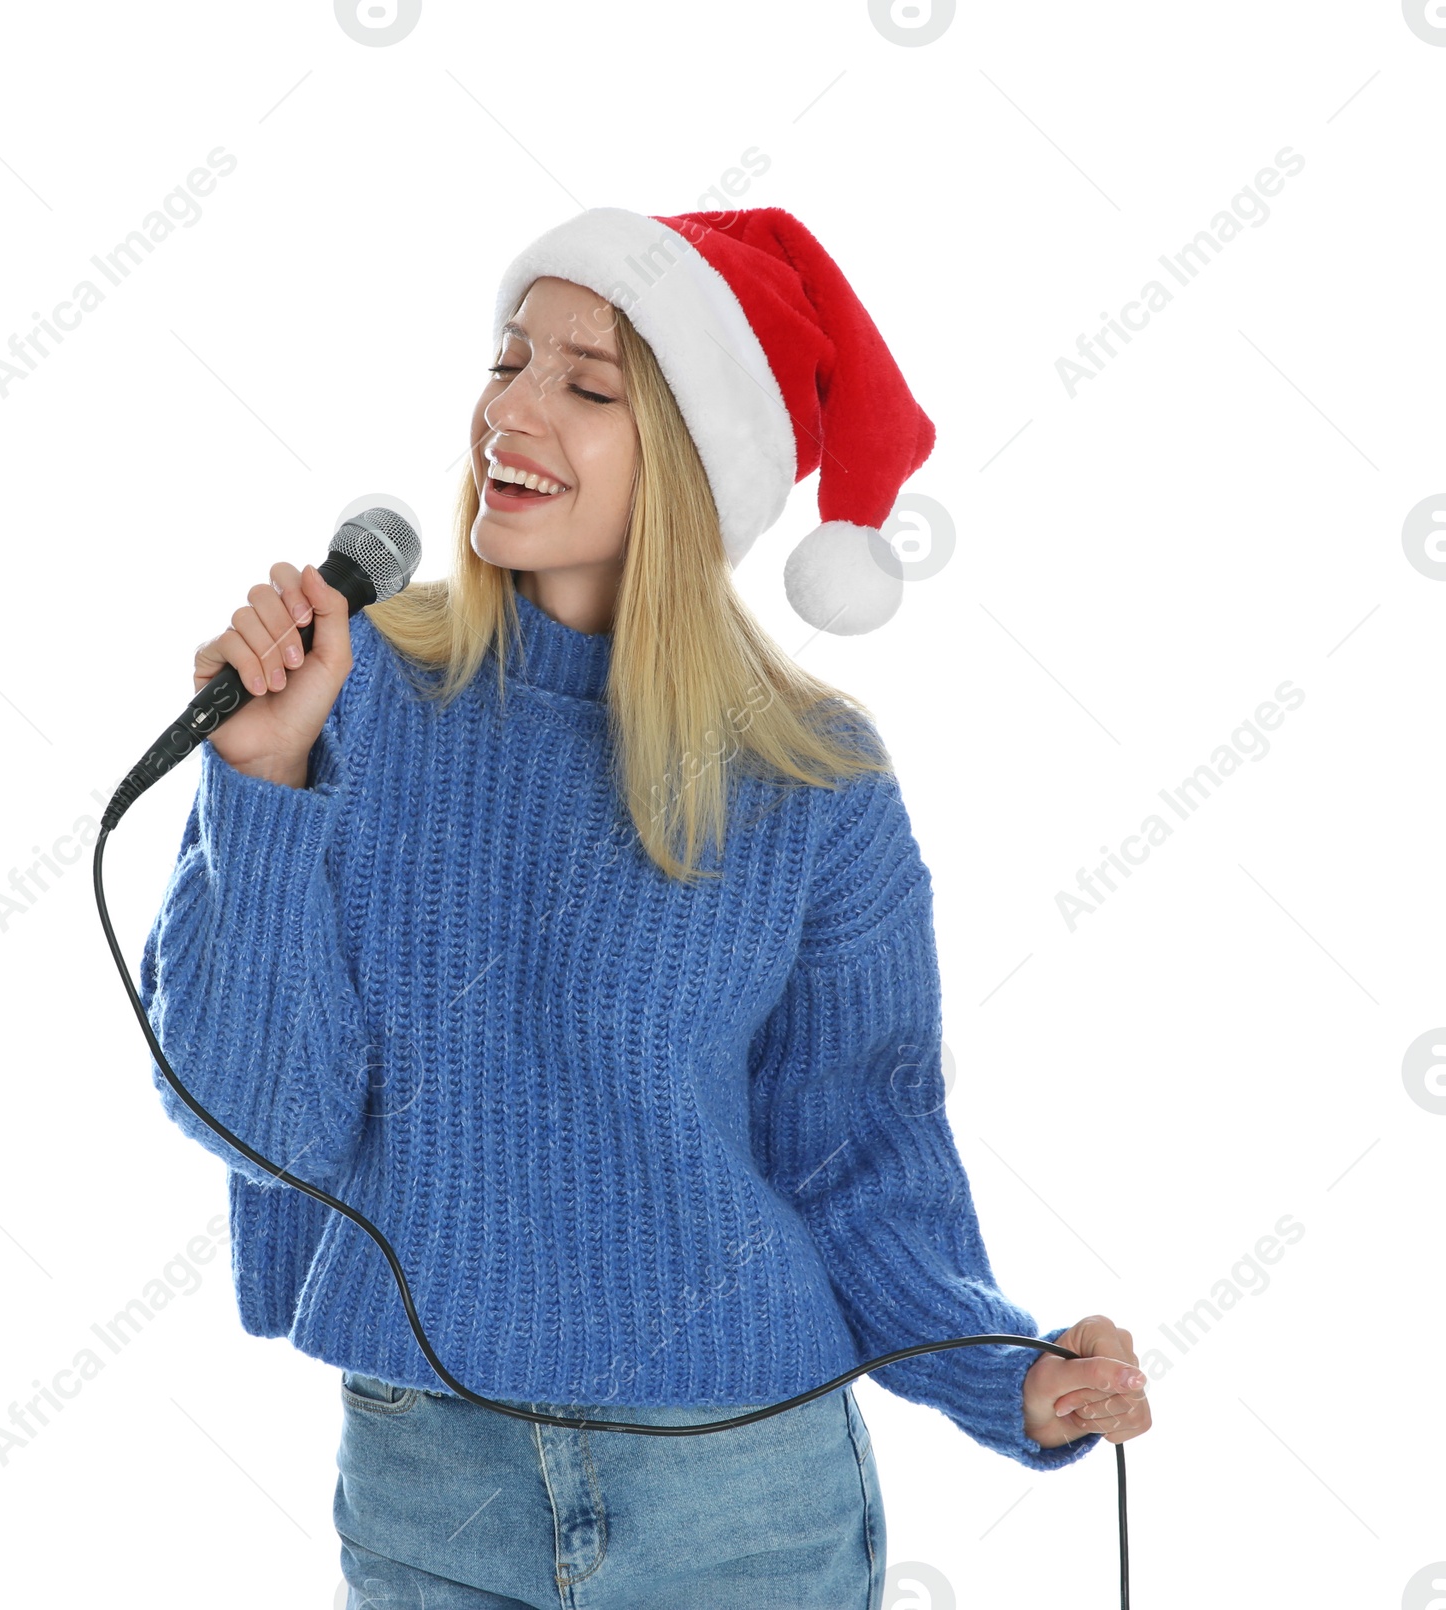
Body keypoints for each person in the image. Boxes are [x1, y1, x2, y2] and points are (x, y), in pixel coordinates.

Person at [139, 206, 1152, 1609]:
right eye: (508, 360)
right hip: (431, 1482)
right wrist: (258, 781)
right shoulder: (349, 691)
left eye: (587, 382)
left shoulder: (809, 778)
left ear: (690, 462)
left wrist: (1011, 1374)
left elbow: (858, 1158)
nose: (514, 408)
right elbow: (259, 1125)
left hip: (738, 1496)